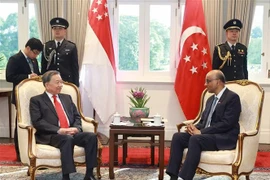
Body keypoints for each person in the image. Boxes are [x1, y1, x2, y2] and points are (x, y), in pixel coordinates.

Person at [166, 70, 241, 180]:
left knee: (196, 139)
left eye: (208, 81)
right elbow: (204, 122)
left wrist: (201, 132)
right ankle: (173, 176)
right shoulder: (210, 99)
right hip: (206, 136)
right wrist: (194, 127)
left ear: (218, 82)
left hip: (223, 137)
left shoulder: (232, 98)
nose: (205, 84)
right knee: (178, 137)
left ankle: (184, 178)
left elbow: (227, 124)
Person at [29, 70, 97, 180]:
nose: (61, 85)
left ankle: (89, 174)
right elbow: (37, 121)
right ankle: (66, 176)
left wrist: (77, 128)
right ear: (47, 85)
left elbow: (77, 116)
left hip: (71, 132)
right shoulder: (36, 100)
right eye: (57, 82)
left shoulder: (67, 98)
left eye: (61, 82)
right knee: (67, 139)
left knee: (91, 137)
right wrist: (59, 130)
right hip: (52, 135)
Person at [6, 37, 43, 161]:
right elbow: (9, 77)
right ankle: (20, 154)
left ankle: (34, 152)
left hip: (34, 97)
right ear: (28, 48)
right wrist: (28, 76)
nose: (36, 56)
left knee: (36, 123)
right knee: (21, 124)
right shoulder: (15, 59)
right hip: (20, 97)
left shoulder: (34, 61)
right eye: (35, 53)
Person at [41, 17, 79, 87]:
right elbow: (44, 67)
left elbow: (75, 68)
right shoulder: (46, 46)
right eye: (55, 28)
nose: (57, 31)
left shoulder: (71, 46)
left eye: (60, 28)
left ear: (65, 31)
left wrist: (76, 85)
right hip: (50, 82)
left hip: (67, 82)